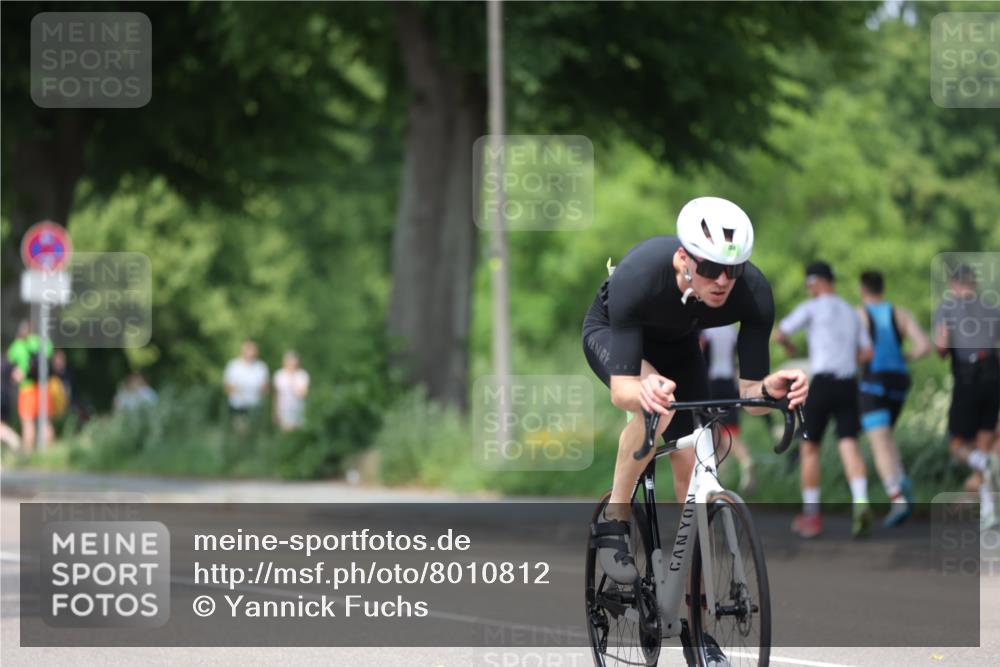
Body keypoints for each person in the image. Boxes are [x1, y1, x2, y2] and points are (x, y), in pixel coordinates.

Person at [581, 196, 808, 588]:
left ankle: (693, 605)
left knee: (696, 462)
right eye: (710, 268)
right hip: (613, 335)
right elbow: (622, 390)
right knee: (659, 408)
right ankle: (615, 519)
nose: (722, 281)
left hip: (679, 347)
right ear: (682, 258)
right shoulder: (639, 275)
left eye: (733, 269)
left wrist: (769, 390)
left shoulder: (753, 293)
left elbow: (750, 396)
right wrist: (647, 391)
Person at [774, 261, 873, 539]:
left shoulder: (812, 308)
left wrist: (789, 346)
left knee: (809, 448)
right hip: (848, 384)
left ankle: (812, 516)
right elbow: (867, 353)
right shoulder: (852, 312)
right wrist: (845, 358)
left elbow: (781, 333)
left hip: (822, 384)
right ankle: (861, 502)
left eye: (809, 284)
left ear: (815, 282)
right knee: (849, 443)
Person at [856, 270, 931, 527]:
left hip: (873, 382)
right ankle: (901, 479)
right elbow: (924, 346)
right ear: (882, 287)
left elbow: (854, 350)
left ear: (862, 289)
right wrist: (904, 357)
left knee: (878, 442)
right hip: (899, 382)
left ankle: (897, 497)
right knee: (886, 435)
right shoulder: (901, 313)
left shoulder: (859, 314)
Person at [933, 264, 1000, 529]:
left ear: (954, 284)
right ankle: (989, 511)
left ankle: (984, 465)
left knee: (957, 444)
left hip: (967, 379)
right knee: (983, 443)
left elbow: (941, 346)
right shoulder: (992, 309)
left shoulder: (947, 308)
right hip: (993, 380)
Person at [700, 323, 756, 496]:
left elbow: (698, 355)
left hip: (710, 383)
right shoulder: (731, 330)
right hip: (729, 383)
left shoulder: (705, 330)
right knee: (728, 429)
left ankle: (740, 462)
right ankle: (726, 473)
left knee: (714, 432)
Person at [6, 320, 54, 452]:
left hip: (27, 389)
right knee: (45, 421)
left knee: (28, 422)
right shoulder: (39, 341)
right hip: (43, 386)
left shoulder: (17, 345)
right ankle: (50, 452)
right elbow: (50, 351)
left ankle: (28, 453)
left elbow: (9, 363)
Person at [223, 340, 269, 429]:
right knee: (241, 430)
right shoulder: (233, 366)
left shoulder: (261, 367)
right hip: (238, 406)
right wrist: (239, 390)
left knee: (255, 430)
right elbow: (227, 388)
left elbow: (266, 389)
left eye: (253, 350)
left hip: (256, 407)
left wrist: (261, 389)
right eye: (249, 349)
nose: (251, 353)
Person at [273, 351, 309, 431]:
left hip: (299, 410)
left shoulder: (302, 375)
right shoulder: (279, 375)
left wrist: (292, 380)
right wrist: (275, 413)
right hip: (284, 410)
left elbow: (303, 394)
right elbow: (277, 395)